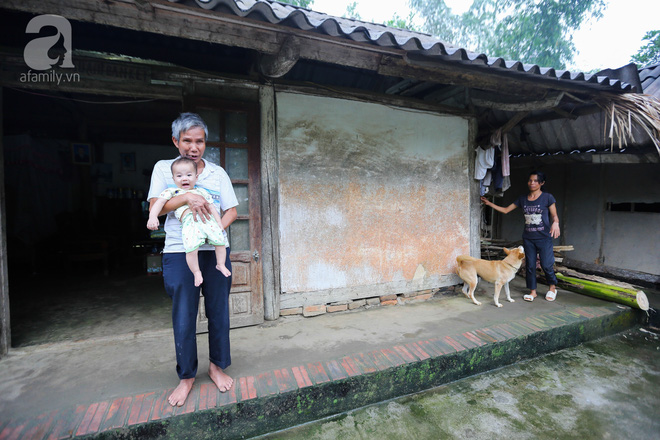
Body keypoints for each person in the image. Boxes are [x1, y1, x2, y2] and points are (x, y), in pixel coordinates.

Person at [147, 112, 238, 407]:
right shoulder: (165, 169)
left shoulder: (217, 173)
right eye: (187, 140)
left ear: (205, 143)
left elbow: (231, 211)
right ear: (176, 141)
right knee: (184, 316)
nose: (193, 147)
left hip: (213, 253)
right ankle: (186, 376)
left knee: (219, 312)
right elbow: (157, 208)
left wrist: (211, 233)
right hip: (178, 252)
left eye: (199, 141)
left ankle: (216, 366)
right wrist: (186, 198)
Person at [147, 157, 231, 287]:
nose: (184, 178)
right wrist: (153, 217)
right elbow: (157, 205)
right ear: (173, 179)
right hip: (190, 226)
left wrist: (219, 223)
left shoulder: (202, 192)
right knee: (191, 250)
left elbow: (212, 207)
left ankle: (220, 264)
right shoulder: (172, 192)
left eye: (189, 175)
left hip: (208, 223)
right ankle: (196, 272)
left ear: (196, 177)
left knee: (220, 242)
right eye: (179, 176)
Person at [480, 171, 561, 302]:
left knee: (546, 265)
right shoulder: (522, 199)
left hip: (544, 237)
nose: (532, 183)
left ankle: (552, 288)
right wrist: (489, 204)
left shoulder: (548, 198)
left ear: (542, 183)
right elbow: (506, 210)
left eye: (535, 181)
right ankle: (532, 291)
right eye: (530, 180)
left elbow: (554, 215)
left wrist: (556, 223)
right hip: (528, 238)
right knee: (529, 266)